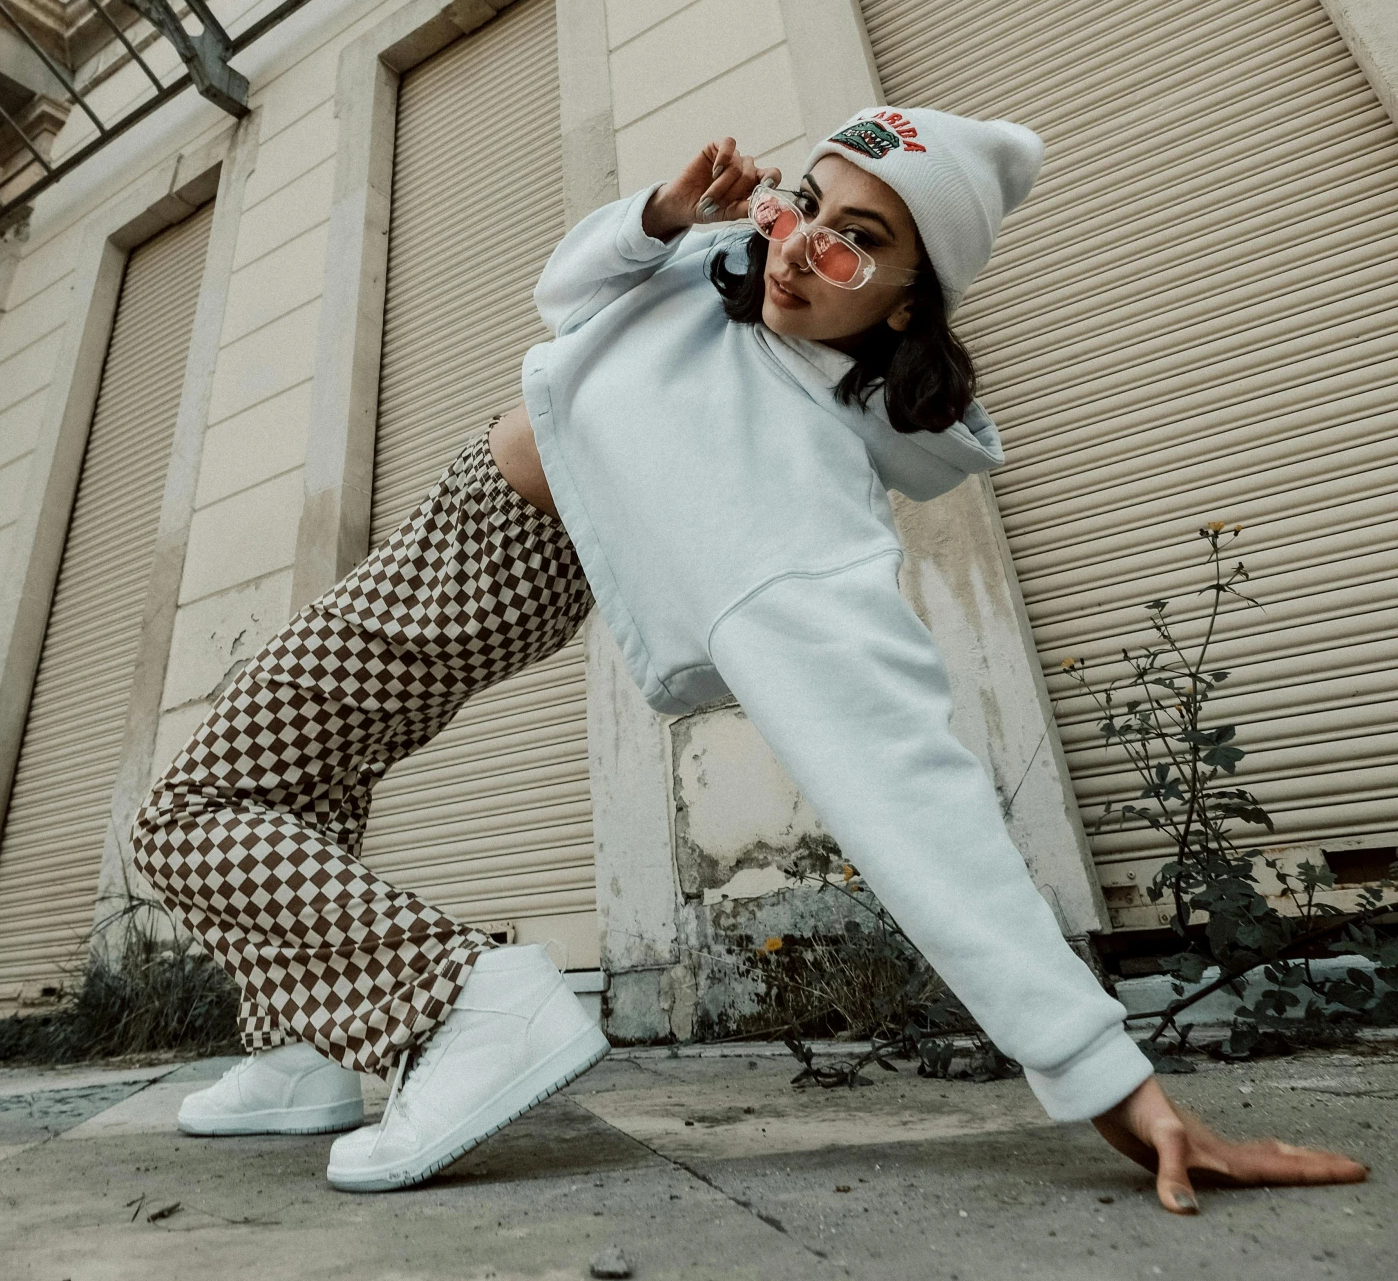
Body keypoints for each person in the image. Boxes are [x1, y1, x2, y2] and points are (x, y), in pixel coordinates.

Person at [132, 106, 1365, 1214]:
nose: (796, 250)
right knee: (306, 777)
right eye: (802, 206)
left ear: (903, 304)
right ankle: (302, 1048)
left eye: (852, 243)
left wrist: (1111, 1078)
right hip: (466, 516)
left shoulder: (798, 482)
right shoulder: (722, 269)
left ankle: (462, 1003)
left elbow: (904, 784)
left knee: (189, 812)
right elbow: (561, 294)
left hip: (484, 565)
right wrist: (666, 215)